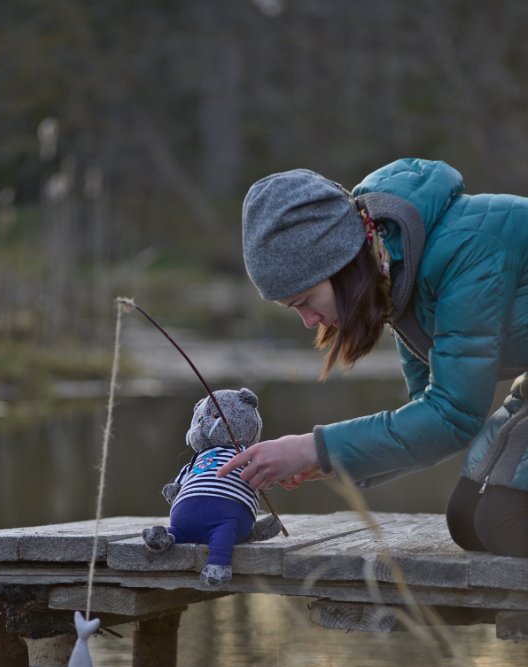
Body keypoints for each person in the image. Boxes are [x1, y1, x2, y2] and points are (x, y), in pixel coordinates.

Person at [217, 158, 528, 558]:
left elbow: (453, 414)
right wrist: (327, 461)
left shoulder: (464, 249)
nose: (309, 321)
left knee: (503, 524)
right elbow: (430, 419)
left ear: (340, 264)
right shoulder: (394, 274)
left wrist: (312, 447)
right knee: (467, 522)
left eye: (306, 301)